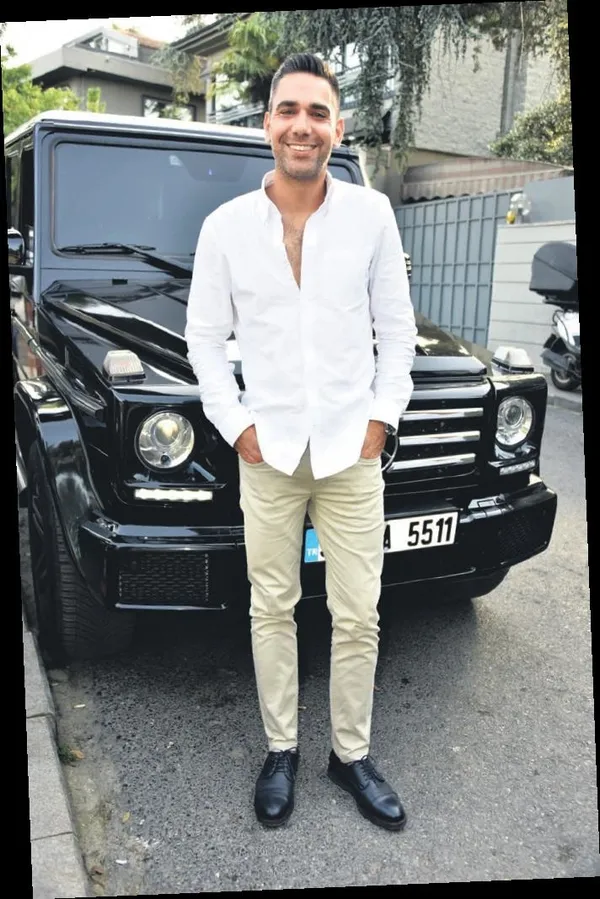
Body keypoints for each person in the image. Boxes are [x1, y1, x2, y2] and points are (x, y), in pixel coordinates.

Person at [185, 53, 417, 831]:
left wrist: (380, 420)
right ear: (267, 125)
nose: (302, 126)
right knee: (271, 607)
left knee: (359, 613)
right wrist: (238, 426)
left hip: (352, 452)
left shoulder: (371, 216)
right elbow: (204, 341)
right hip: (270, 453)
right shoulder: (225, 229)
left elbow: (397, 332)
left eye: (318, 113)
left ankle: (350, 754)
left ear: (337, 128)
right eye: (289, 110)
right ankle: (281, 748)